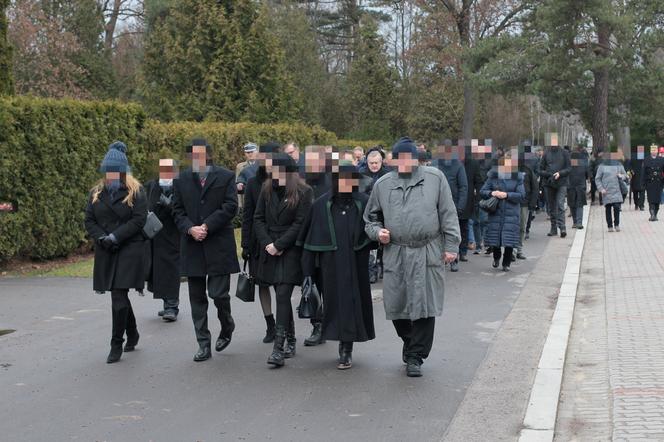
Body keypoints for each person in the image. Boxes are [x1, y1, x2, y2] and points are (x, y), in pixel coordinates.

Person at [364, 137, 461, 378]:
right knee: (397, 304)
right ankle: (408, 341)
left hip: (427, 249)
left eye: (410, 157)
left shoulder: (435, 179)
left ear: (416, 158)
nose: (405, 161)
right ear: (395, 160)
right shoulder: (383, 185)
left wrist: (452, 245)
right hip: (396, 251)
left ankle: (416, 355)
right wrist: (378, 232)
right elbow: (370, 218)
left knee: (425, 304)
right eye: (400, 157)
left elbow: (448, 213)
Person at [300, 162, 376, 369]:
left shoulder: (364, 203)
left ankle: (346, 348)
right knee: (334, 304)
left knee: (352, 305)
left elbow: (375, 229)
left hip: (356, 264)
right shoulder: (321, 205)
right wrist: (307, 273)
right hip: (329, 266)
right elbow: (309, 241)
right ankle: (329, 336)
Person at [172, 139, 239, 362]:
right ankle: (203, 343)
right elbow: (177, 211)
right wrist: (190, 228)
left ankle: (227, 324)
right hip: (192, 246)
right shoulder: (181, 179)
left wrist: (207, 225)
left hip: (218, 244)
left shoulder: (226, 176)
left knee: (219, 295)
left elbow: (231, 206)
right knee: (197, 298)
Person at [84, 141, 147, 363]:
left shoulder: (136, 191)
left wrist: (116, 236)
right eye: (107, 171)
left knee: (119, 295)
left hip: (130, 247)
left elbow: (139, 220)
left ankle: (115, 343)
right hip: (106, 249)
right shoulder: (96, 193)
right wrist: (101, 237)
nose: (111, 175)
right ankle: (133, 332)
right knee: (118, 295)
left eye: (115, 171)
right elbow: (89, 220)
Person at [253, 153, 313, 368]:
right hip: (269, 247)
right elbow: (258, 218)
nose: (274, 174)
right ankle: (292, 339)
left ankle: (278, 348)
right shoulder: (266, 189)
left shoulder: (304, 191)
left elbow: (301, 223)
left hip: (290, 249)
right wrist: (268, 243)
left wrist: (280, 245)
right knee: (281, 296)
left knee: (282, 294)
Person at [241, 142, 281, 343]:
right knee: (262, 284)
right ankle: (270, 325)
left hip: (281, 241)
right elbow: (247, 215)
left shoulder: (286, 180)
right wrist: (245, 245)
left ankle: (284, 327)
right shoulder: (252, 182)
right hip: (259, 242)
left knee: (282, 286)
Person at [301, 145, 332, 347]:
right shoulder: (300, 180)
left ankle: (332, 323)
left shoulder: (333, 180)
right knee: (310, 285)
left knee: (329, 286)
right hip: (307, 243)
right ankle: (317, 325)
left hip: (330, 244)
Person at [144, 158, 181, 322]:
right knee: (159, 270)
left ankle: (172, 306)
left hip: (173, 235)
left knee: (171, 270)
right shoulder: (152, 185)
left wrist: (170, 205)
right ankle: (167, 302)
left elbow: (183, 210)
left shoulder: (180, 185)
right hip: (155, 235)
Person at [480, 150, 526, 272]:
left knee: (509, 240)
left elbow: (521, 196)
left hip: (511, 213)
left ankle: (506, 263)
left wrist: (506, 195)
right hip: (496, 211)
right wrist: (492, 193)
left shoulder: (518, 178)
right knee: (496, 238)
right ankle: (496, 257)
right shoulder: (493, 176)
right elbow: (482, 191)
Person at [432, 141, 468, 272]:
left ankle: (454, 259)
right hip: (435, 204)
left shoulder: (458, 165)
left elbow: (464, 187)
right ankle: (440, 258)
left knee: (452, 232)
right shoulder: (435, 164)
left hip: (453, 204)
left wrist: (460, 207)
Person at [539, 138, 571, 238]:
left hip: (561, 182)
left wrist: (560, 173)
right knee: (551, 206)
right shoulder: (545, 154)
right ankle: (553, 228)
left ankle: (562, 227)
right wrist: (549, 175)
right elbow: (540, 169)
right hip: (548, 183)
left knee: (560, 204)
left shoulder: (564, 153)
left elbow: (569, 168)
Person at [596, 150, 628, 231]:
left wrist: (621, 176)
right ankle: (610, 226)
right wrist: (601, 189)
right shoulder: (601, 166)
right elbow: (598, 179)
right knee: (608, 208)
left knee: (617, 207)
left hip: (617, 190)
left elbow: (625, 175)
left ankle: (617, 224)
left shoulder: (619, 165)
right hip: (606, 191)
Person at [517, 151, 539, 259]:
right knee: (512, 228)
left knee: (522, 227)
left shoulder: (528, 170)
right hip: (511, 203)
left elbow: (535, 187)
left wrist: (532, 204)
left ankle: (519, 250)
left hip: (524, 204)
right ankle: (511, 250)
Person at [567, 147, 590, 230]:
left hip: (570, 185)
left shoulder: (568, 162)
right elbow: (587, 173)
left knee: (572, 204)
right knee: (579, 204)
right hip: (581, 185)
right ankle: (579, 223)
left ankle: (575, 222)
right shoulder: (583, 161)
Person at [642, 143, 664, 221]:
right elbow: (643, 172)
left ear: (657, 151)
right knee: (651, 199)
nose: (654, 152)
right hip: (650, 182)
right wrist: (643, 183)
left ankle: (655, 214)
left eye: (655, 150)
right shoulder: (646, 159)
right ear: (651, 151)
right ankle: (652, 215)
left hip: (659, 182)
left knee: (657, 200)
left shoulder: (661, 159)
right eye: (652, 150)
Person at [627, 146, 645, 211]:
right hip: (635, 177)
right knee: (635, 192)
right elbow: (629, 166)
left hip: (642, 177)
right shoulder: (632, 158)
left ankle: (641, 205)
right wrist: (631, 172)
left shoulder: (644, 159)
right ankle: (636, 204)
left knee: (642, 192)